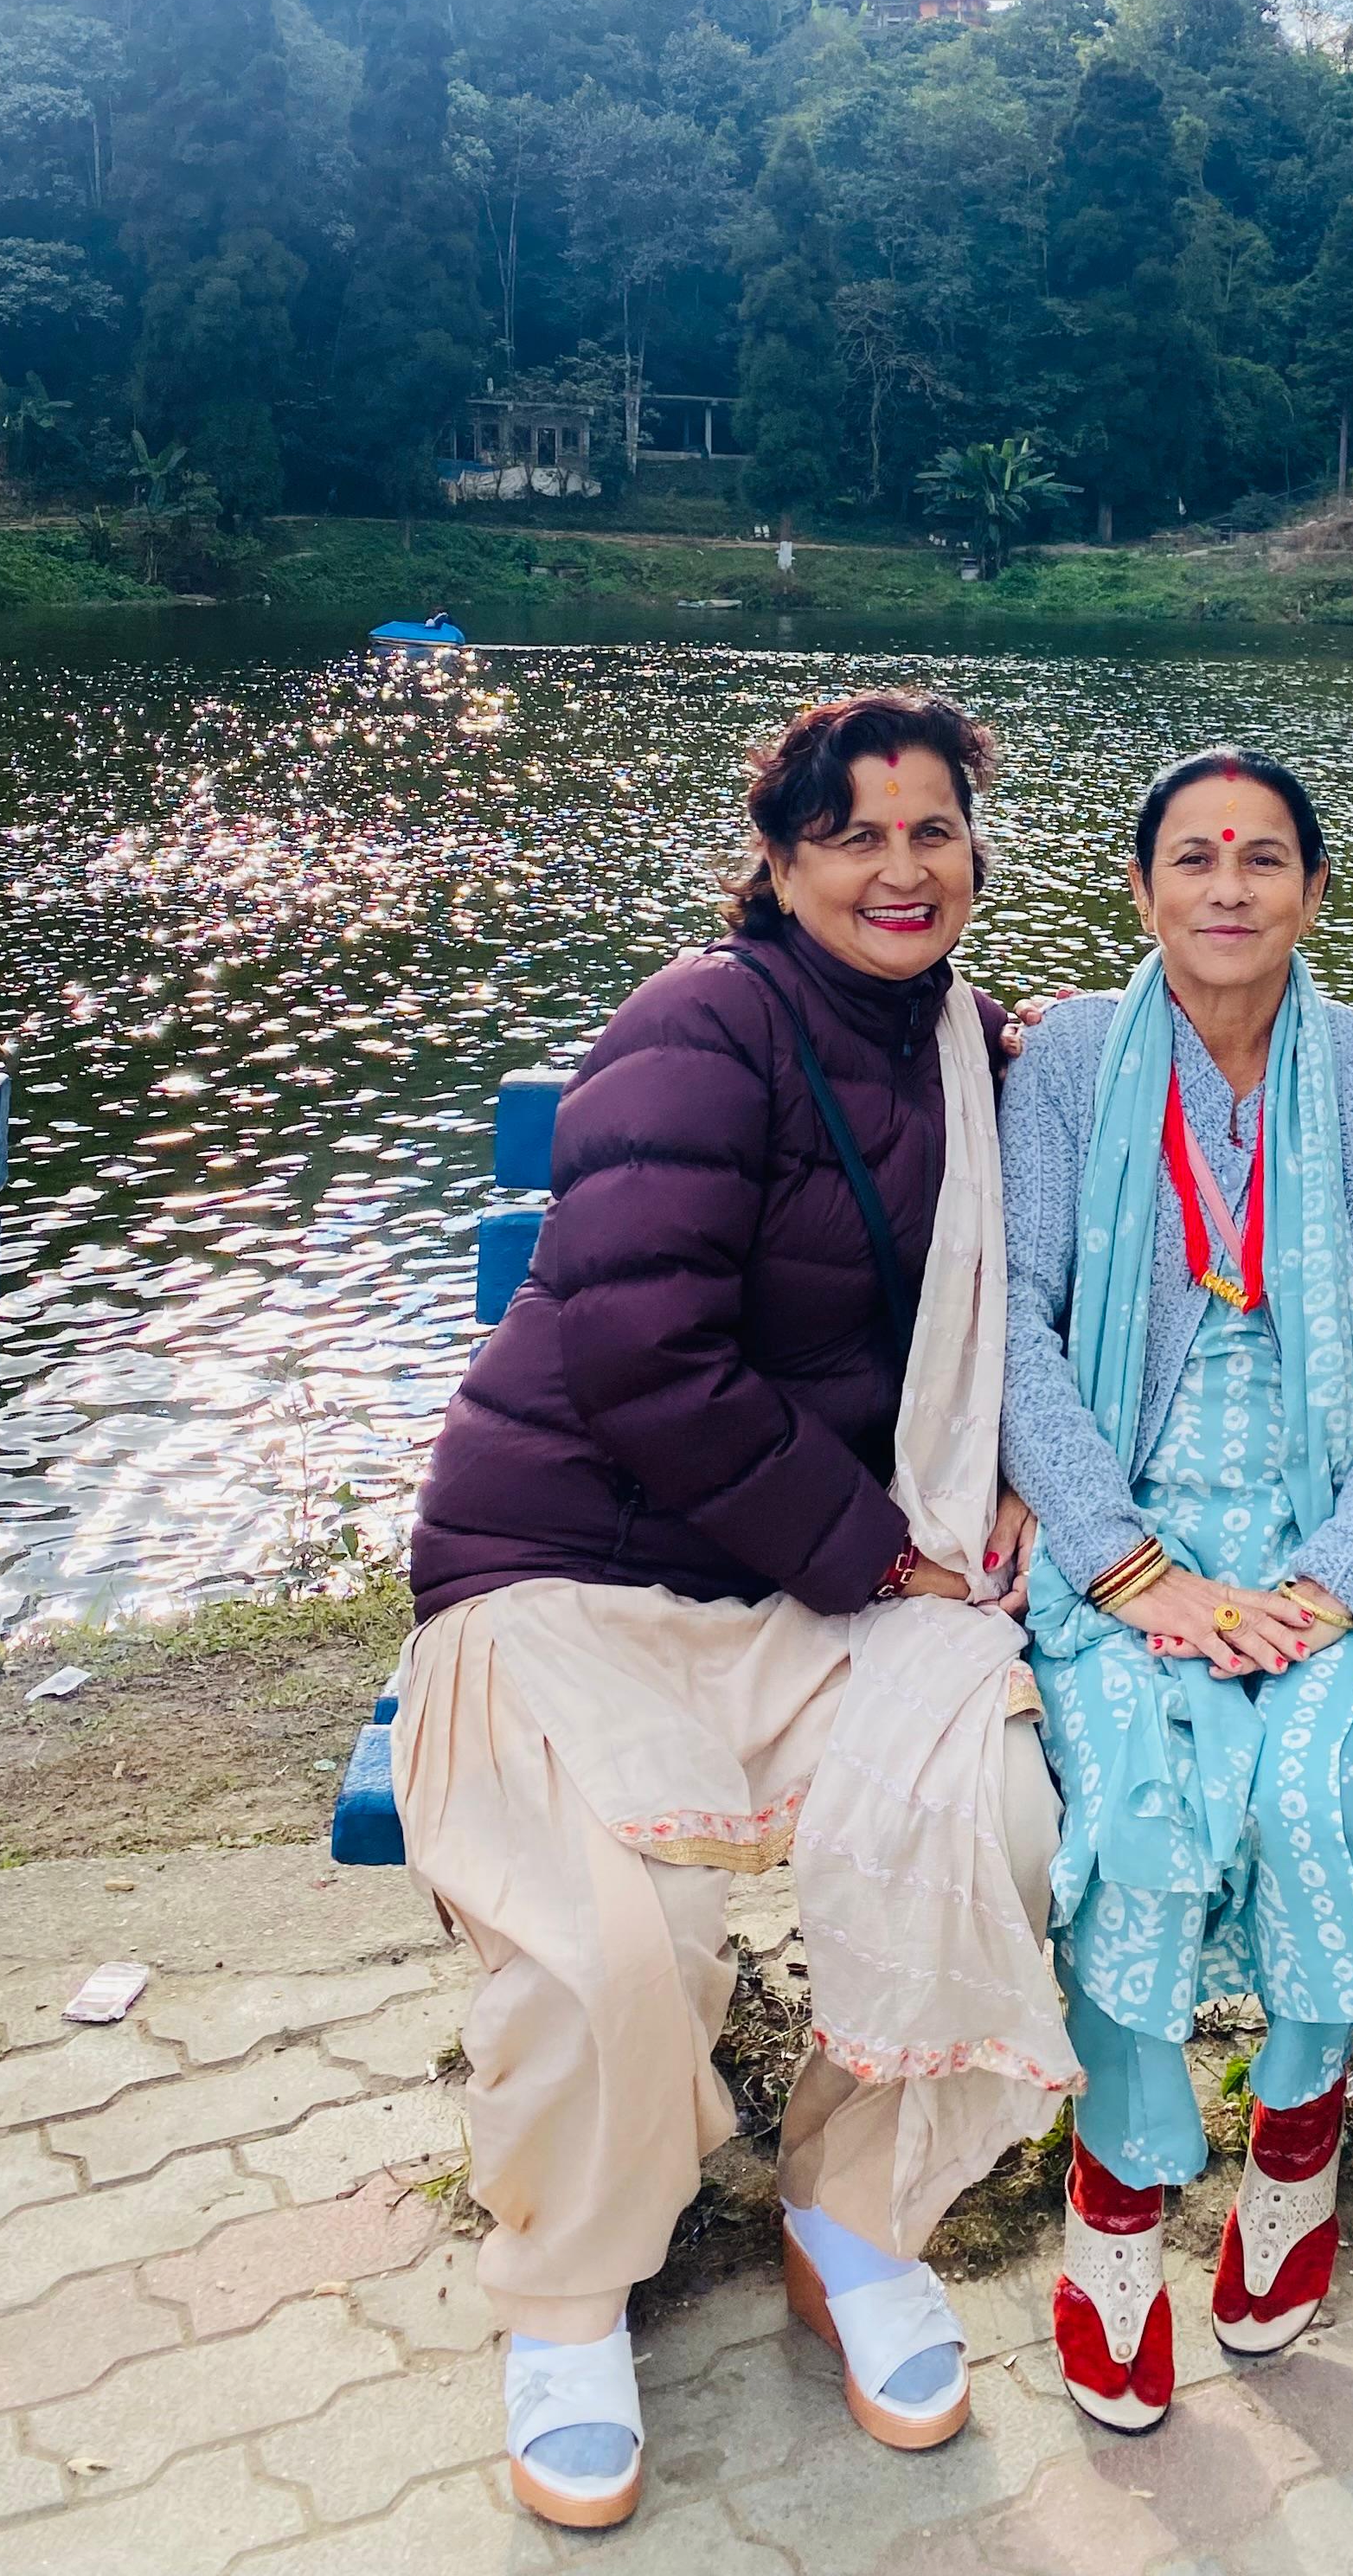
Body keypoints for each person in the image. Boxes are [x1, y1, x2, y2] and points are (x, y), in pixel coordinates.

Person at [394, 691, 1073, 2528]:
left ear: (974, 854)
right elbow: (633, 1347)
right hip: (565, 1573)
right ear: (777, 863)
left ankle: (854, 2220)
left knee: (992, 1816)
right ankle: (565, 2292)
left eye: (932, 829)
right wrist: (872, 1552)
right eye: (851, 834)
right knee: (615, 1941)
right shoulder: (702, 1024)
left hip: (796, 1580)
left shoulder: (975, 1056)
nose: (900, 867)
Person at [1001, 747, 1353, 2431]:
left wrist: (1344, 1578)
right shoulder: (1067, 1060)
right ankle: (1117, 2210)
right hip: (1123, 1545)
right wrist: (1135, 1573)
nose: (1226, 885)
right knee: (1139, 1818)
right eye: (1191, 857)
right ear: (1139, 891)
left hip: (1322, 1538)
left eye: (1263, 857)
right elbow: (1020, 1331)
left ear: (1314, 893)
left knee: (1316, 1797)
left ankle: (1297, 2140)